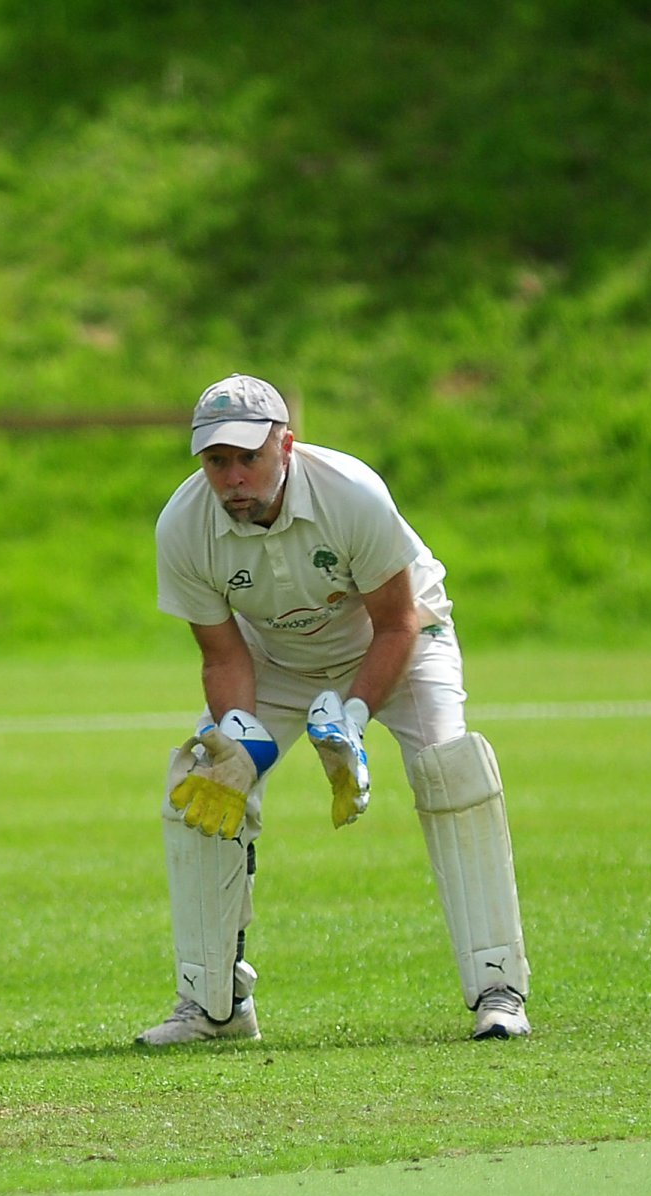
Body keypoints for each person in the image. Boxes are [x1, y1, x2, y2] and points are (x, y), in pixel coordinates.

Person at [138, 373, 532, 1046]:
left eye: (247, 458)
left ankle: (500, 990)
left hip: (401, 644)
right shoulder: (183, 527)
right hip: (278, 660)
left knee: (449, 769)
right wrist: (241, 741)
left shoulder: (350, 493)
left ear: (285, 444)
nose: (232, 477)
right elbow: (224, 659)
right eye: (216, 461)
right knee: (201, 788)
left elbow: (400, 622)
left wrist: (350, 718)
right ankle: (215, 1006)